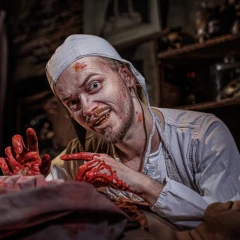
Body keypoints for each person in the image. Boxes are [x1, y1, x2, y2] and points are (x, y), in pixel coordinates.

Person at [0, 34, 240, 231]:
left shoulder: (203, 136)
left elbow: (226, 229)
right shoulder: (79, 157)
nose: (88, 109)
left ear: (126, 76)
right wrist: (27, 187)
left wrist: (139, 183)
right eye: (73, 103)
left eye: (94, 85)